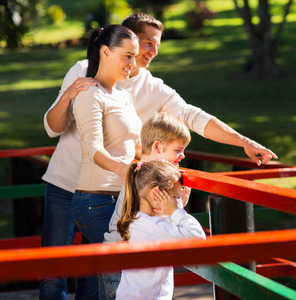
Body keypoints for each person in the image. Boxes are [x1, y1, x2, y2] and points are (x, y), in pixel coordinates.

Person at [40, 12, 276, 300]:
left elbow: (192, 116)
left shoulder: (150, 88)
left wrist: (243, 141)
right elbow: (53, 129)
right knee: (53, 276)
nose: (151, 52)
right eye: (147, 43)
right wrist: (68, 97)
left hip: (115, 192)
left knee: (97, 275)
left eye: (156, 46)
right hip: (68, 185)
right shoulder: (83, 71)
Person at [70, 24, 141, 299]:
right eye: (127, 56)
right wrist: (124, 170)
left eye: (134, 57)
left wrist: (162, 160)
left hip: (121, 197)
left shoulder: (123, 96)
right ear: (105, 52)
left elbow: (134, 146)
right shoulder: (90, 94)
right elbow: (93, 149)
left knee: (108, 280)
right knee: (118, 278)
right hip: (96, 200)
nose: (132, 64)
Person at [99, 112, 191, 299]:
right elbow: (162, 220)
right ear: (157, 146)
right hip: (126, 266)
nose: (182, 156)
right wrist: (177, 205)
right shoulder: (155, 181)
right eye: (178, 150)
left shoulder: (139, 173)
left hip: (113, 258)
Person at [115, 160, 206, 300]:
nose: (176, 201)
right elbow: (198, 238)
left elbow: (166, 222)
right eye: (175, 197)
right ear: (155, 194)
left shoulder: (136, 217)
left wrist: (175, 206)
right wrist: (176, 211)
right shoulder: (154, 227)